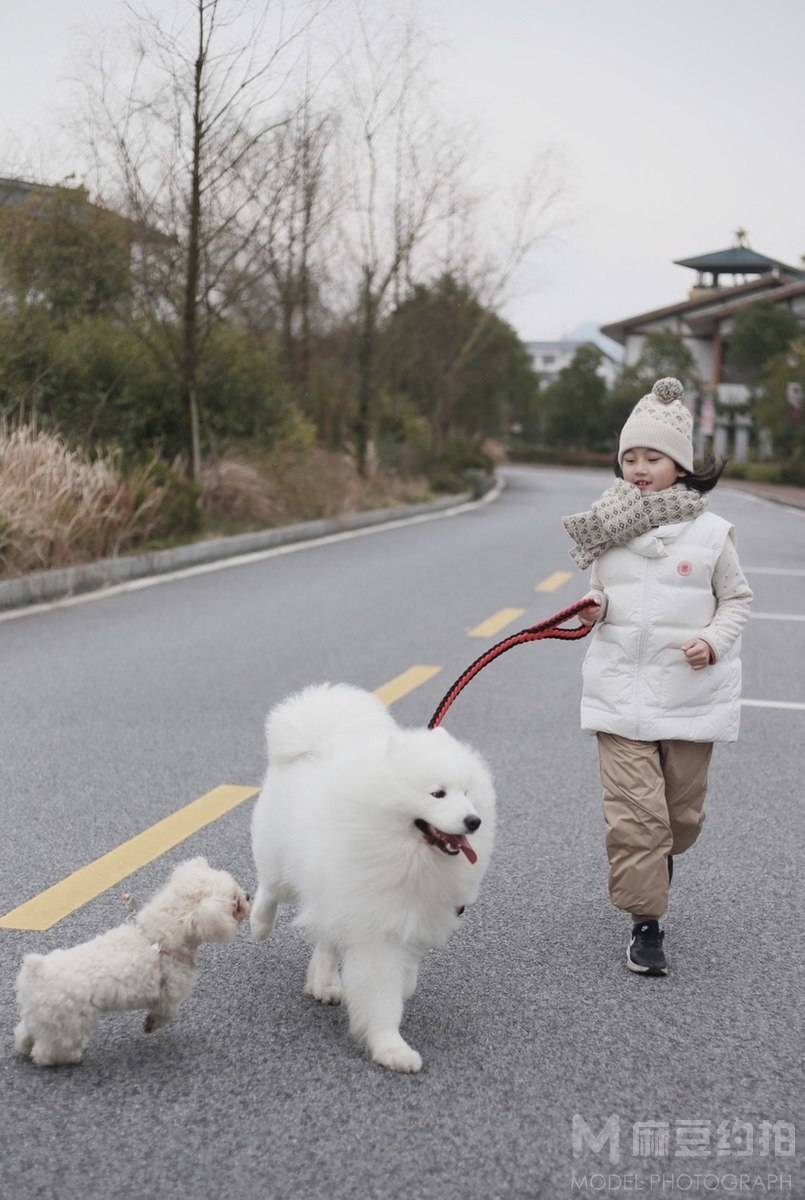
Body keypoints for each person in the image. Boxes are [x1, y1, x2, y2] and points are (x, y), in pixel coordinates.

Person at [562, 377, 753, 976]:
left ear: (681, 465)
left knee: (679, 820)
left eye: (653, 457)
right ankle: (647, 925)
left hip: (690, 697)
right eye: (630, 457)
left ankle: (655, 862)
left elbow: (738, 601)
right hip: (620, 695)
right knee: (637, 820)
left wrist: (712, 642)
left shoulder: (712, 534)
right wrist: (594, 611)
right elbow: (600, 595)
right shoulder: (607, 529)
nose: (639, 468)